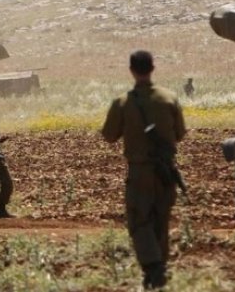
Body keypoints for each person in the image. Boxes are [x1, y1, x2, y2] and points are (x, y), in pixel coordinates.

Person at [102, 50, 186, 289]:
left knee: (139, 220)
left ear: (131, 70)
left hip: (139, 171)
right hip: (166, 171)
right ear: (152, 68)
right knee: (161, 220)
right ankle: (158, 271)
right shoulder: (169, 98)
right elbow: (180, 134)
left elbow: (109, 135)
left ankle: (153, 267)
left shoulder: (123, 102)